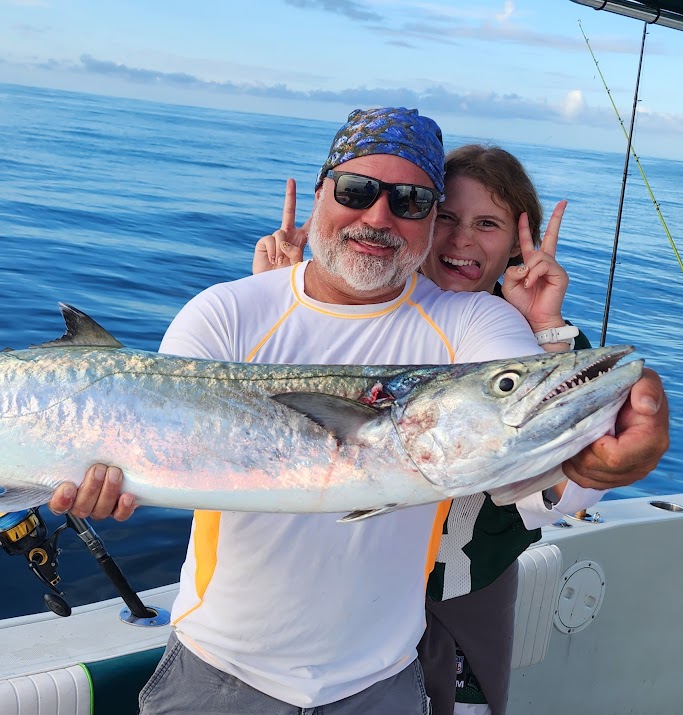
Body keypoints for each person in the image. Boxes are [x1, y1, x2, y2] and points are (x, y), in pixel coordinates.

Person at [49, 108, 670, 713]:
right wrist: (93, 477)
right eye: (356, 190)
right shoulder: (227, 311)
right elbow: (140, 433)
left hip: (381, 680)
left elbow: (534, 487)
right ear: (321, 191)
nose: (378, 216)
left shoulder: (474, 320)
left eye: (411, 202)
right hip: (218, 668)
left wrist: (598, 454)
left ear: (425, 223)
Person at [255, 143, 595, 715]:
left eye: (487, 224)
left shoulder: (550, 349)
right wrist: (285, 299)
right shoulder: (375, 309)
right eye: (445, 219)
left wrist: (544, 327)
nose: (462, 239)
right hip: (343, 581)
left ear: (518, 241)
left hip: (461, 588)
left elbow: (562, 498)